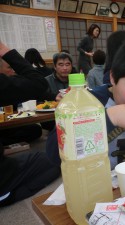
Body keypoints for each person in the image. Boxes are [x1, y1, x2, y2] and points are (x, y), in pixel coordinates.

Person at [46, 39, 125, 169]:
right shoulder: (89, 101)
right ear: (113, 78)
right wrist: (109, 118)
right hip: (101, 183)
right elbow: (53, 155)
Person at [0, 40, 60, 207]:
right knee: (54, 159)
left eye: (67, 64)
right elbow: (38, 87)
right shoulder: (47, 77)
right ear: (54, 66)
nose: (64, 68)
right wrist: (6, 50)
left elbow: (40, 93)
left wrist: (53, 96)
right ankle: (7, 194)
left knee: (33, 130)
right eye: (9, 67)